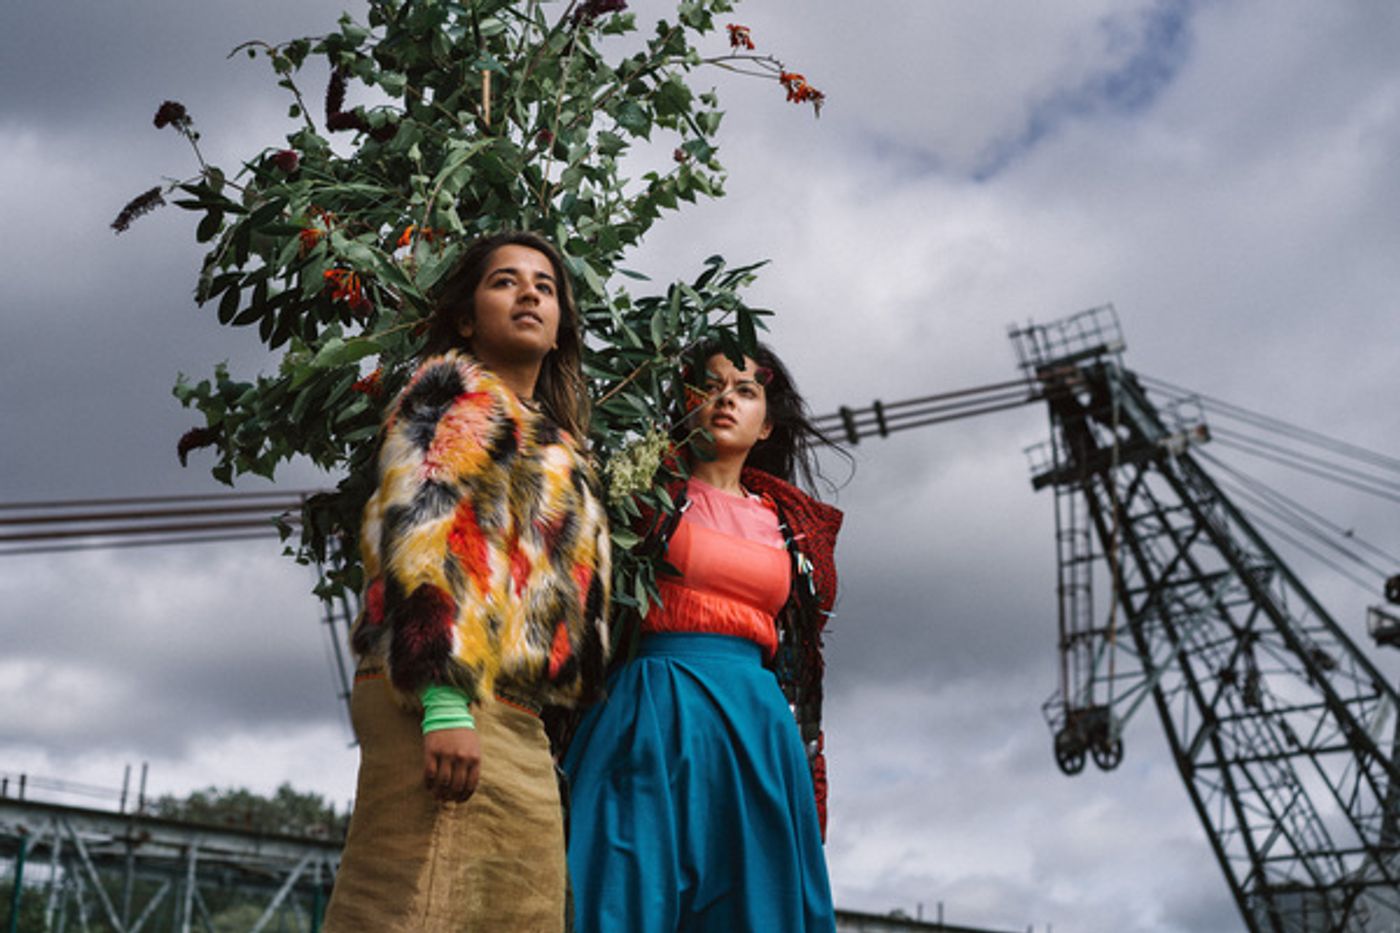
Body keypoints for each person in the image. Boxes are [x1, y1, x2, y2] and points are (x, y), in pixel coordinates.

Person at [323, 231, 611, 932]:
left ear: (562, 322)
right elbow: (424, 543)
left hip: (515, 717)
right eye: (505, 281)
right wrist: (445, 704)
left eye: (544, 285)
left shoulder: (558, 443)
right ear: (464, 315)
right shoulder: (454, 402)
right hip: (443, 698)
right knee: (410, 908)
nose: (530, 294)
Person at [562, 342, 844, 933]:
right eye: (710, 386)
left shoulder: (791, 525)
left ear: (767, 424)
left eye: (745, 391)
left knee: (756, 907)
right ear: (685, 403)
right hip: (652, 709)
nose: (725, 400)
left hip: (757, 722)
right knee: (626, 891)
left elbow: (801, 653)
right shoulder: (640, 496)